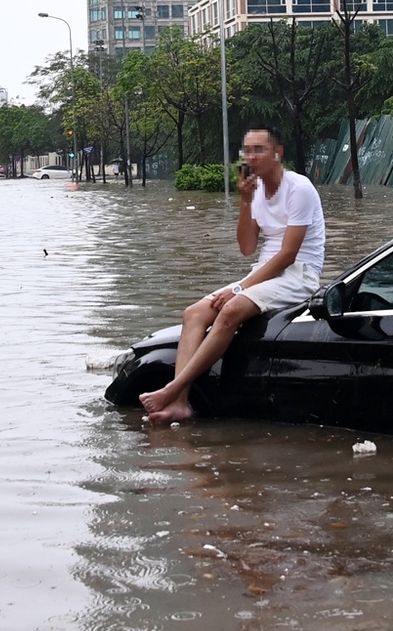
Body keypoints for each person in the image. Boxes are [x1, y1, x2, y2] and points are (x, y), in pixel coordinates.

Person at [140, 124, 326, 425]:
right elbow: (247, 248)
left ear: (277, 153)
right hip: (264, 273)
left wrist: (239, 290)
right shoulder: (257, 191)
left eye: (259, 150)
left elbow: (288, 255)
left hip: (298, 275)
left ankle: (172, 389)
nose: (251, 157)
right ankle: (181, 404)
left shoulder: (299, 188)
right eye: (247, 151)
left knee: (230, 310)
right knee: (194, 313)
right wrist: (245, 201)